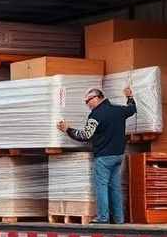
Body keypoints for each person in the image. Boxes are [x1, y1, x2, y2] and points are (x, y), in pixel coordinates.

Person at [57, 87, 136, 224]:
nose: (87, 104)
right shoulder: (119, 110)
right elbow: (132, 109)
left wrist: (67, 130)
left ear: (96, 98)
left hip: (104, 157)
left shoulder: (96, 115)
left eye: (88, 101)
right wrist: (129, 96)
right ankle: (119, 219)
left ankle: (103, 218)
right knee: (115, 187)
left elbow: (86, 135)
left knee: (102, 187)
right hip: (118, 155)